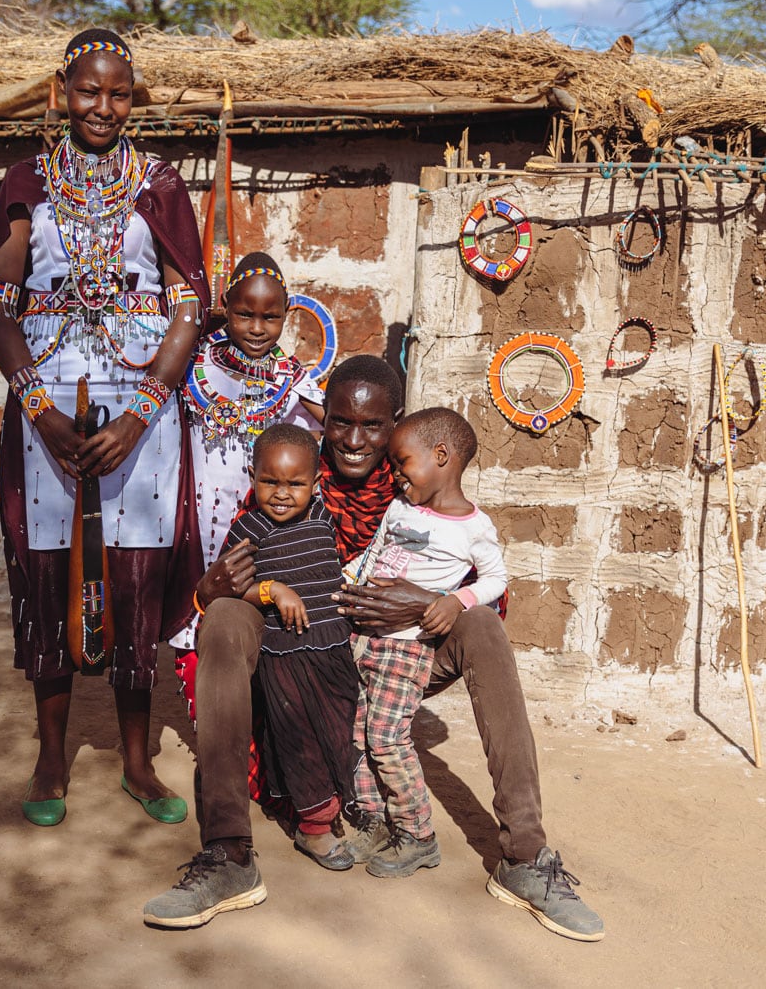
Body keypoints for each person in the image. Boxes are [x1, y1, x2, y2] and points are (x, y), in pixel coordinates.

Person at [143, 356, 605, 943]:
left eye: (372, 426)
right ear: (322, 420)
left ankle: (525, 855)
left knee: (484, 628)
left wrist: (420, 603)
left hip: (396, 658)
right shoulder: (296, 476)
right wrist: (209, 591)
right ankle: (228, 853)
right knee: (228, 619)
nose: (354, 441)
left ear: (398, 426)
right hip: (298, 657)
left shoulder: (418, 486)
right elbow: (231, 569)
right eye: (339, 423)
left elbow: (483, 586)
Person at [0, 28, 207, 828]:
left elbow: (189, 303)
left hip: (141, 408)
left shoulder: (161, 183)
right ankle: (51, 755)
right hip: (48, 400)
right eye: (88, 90)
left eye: (118, 93)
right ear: (60, 91)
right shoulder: (27, 181)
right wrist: (35, 404)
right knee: (49, 571)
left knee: (136, 570)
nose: (102, 106)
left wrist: (148, 402)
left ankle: (138, 760)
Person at [342, 407, 507, 879]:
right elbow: (375, 552)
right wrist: (348, 583)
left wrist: (456, 601)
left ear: (441, 456)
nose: (395, 476)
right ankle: (375, 821)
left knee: (387, 738)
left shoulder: (473, 527)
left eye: (402, 463)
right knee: (358, 735)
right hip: (365, 639)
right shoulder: (400, 508)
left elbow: (496, 577)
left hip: (407, 648)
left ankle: (417, 835)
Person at [169, 253, 325, 717]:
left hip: (256, 526)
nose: (257, 328)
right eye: (244, 314)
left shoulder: (291, 380)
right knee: (198, 611)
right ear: (225, 305)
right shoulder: (194, 363)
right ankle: (213, 723)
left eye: (271, 317)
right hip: (196, 519)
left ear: (286, 315)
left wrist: (304, 386)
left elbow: (330, 428)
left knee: (254, 616)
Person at [216, 423, 358, 876]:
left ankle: (335, 808)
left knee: (340, 731)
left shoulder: (323, 515)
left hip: (334, 648)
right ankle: (314, 829)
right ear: (252, 476)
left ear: (315, 483)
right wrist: (272, 589)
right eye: (269, 481)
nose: (281, 493)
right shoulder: (247, 529)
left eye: (295, 483)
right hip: (285, 656)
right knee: (301, 741)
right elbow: (230, 587)